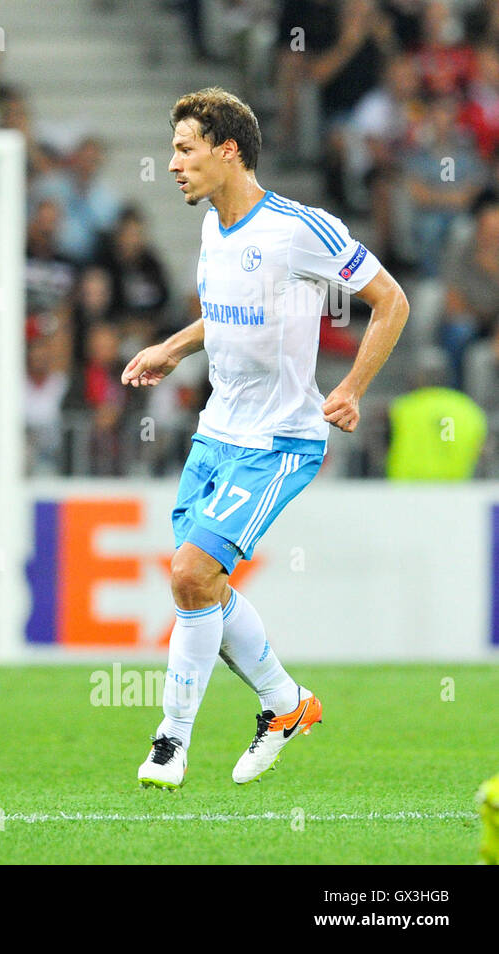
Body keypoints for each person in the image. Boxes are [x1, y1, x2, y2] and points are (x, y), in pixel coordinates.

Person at [122, 88, 409, 789]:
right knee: (200, 587)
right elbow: (227, 317)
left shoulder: (298, 228)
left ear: (228, 151)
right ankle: (285, 705)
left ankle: (170, 741)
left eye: (185, 149)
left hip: (280, 441)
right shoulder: (213, 228)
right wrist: (174, 347)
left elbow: (391, 301)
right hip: (216, 433)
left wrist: (350, 390)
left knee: (190, 574)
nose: (172, 164)